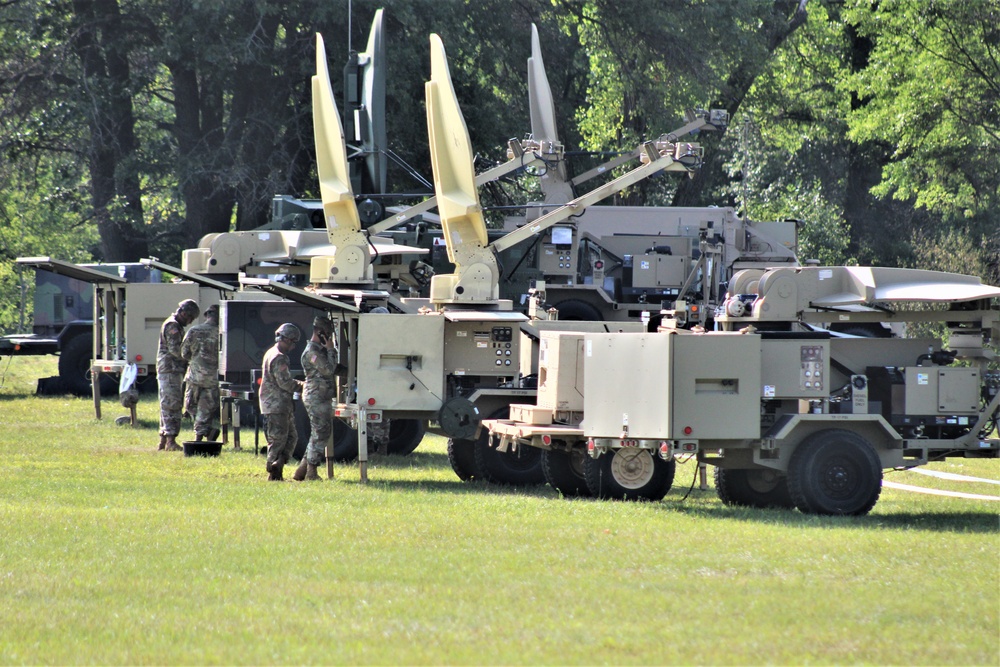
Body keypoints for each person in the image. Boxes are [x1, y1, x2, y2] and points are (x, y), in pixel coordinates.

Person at [293, 316, 338, 481]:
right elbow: (327, 370)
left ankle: (301, 471)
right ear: (320, 333)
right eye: (327, 333)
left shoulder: (317, 350)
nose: (330, 337)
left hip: (319, 396)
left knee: (319, 433)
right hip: (316, 397)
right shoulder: (312, 352)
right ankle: (311, 472)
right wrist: (332, 349)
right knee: (321, 433)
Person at [260, 322, 304, 481]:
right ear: (286, 339)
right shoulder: (279, 357)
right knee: (278, 440)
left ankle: (279, 464)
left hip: (280, 405)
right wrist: (303, 386)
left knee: (291, 437)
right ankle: (273, 472)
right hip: (276, 405)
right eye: (293, 342)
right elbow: (285, 382)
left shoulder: (271, 353)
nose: (293, 346)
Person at [157, 299, 200, 451]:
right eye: (190, 318)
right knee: (172, 405)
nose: (190, 322)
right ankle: (170, 441)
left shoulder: (174, 324)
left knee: (167, 404)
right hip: (170, 370)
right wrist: (192, 356)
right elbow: (176, 350)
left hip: (170, 370)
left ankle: (163, 440)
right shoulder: (173, 326)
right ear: (183, 313)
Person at [181, 303, 220, 443]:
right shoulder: (222, 333)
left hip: (194, 377)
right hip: (212, 378)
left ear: (206, 315)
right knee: (205, 409)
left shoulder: (194, 331)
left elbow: (184, 354)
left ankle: (198, 439)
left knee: (190, 407)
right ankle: (207, 431)